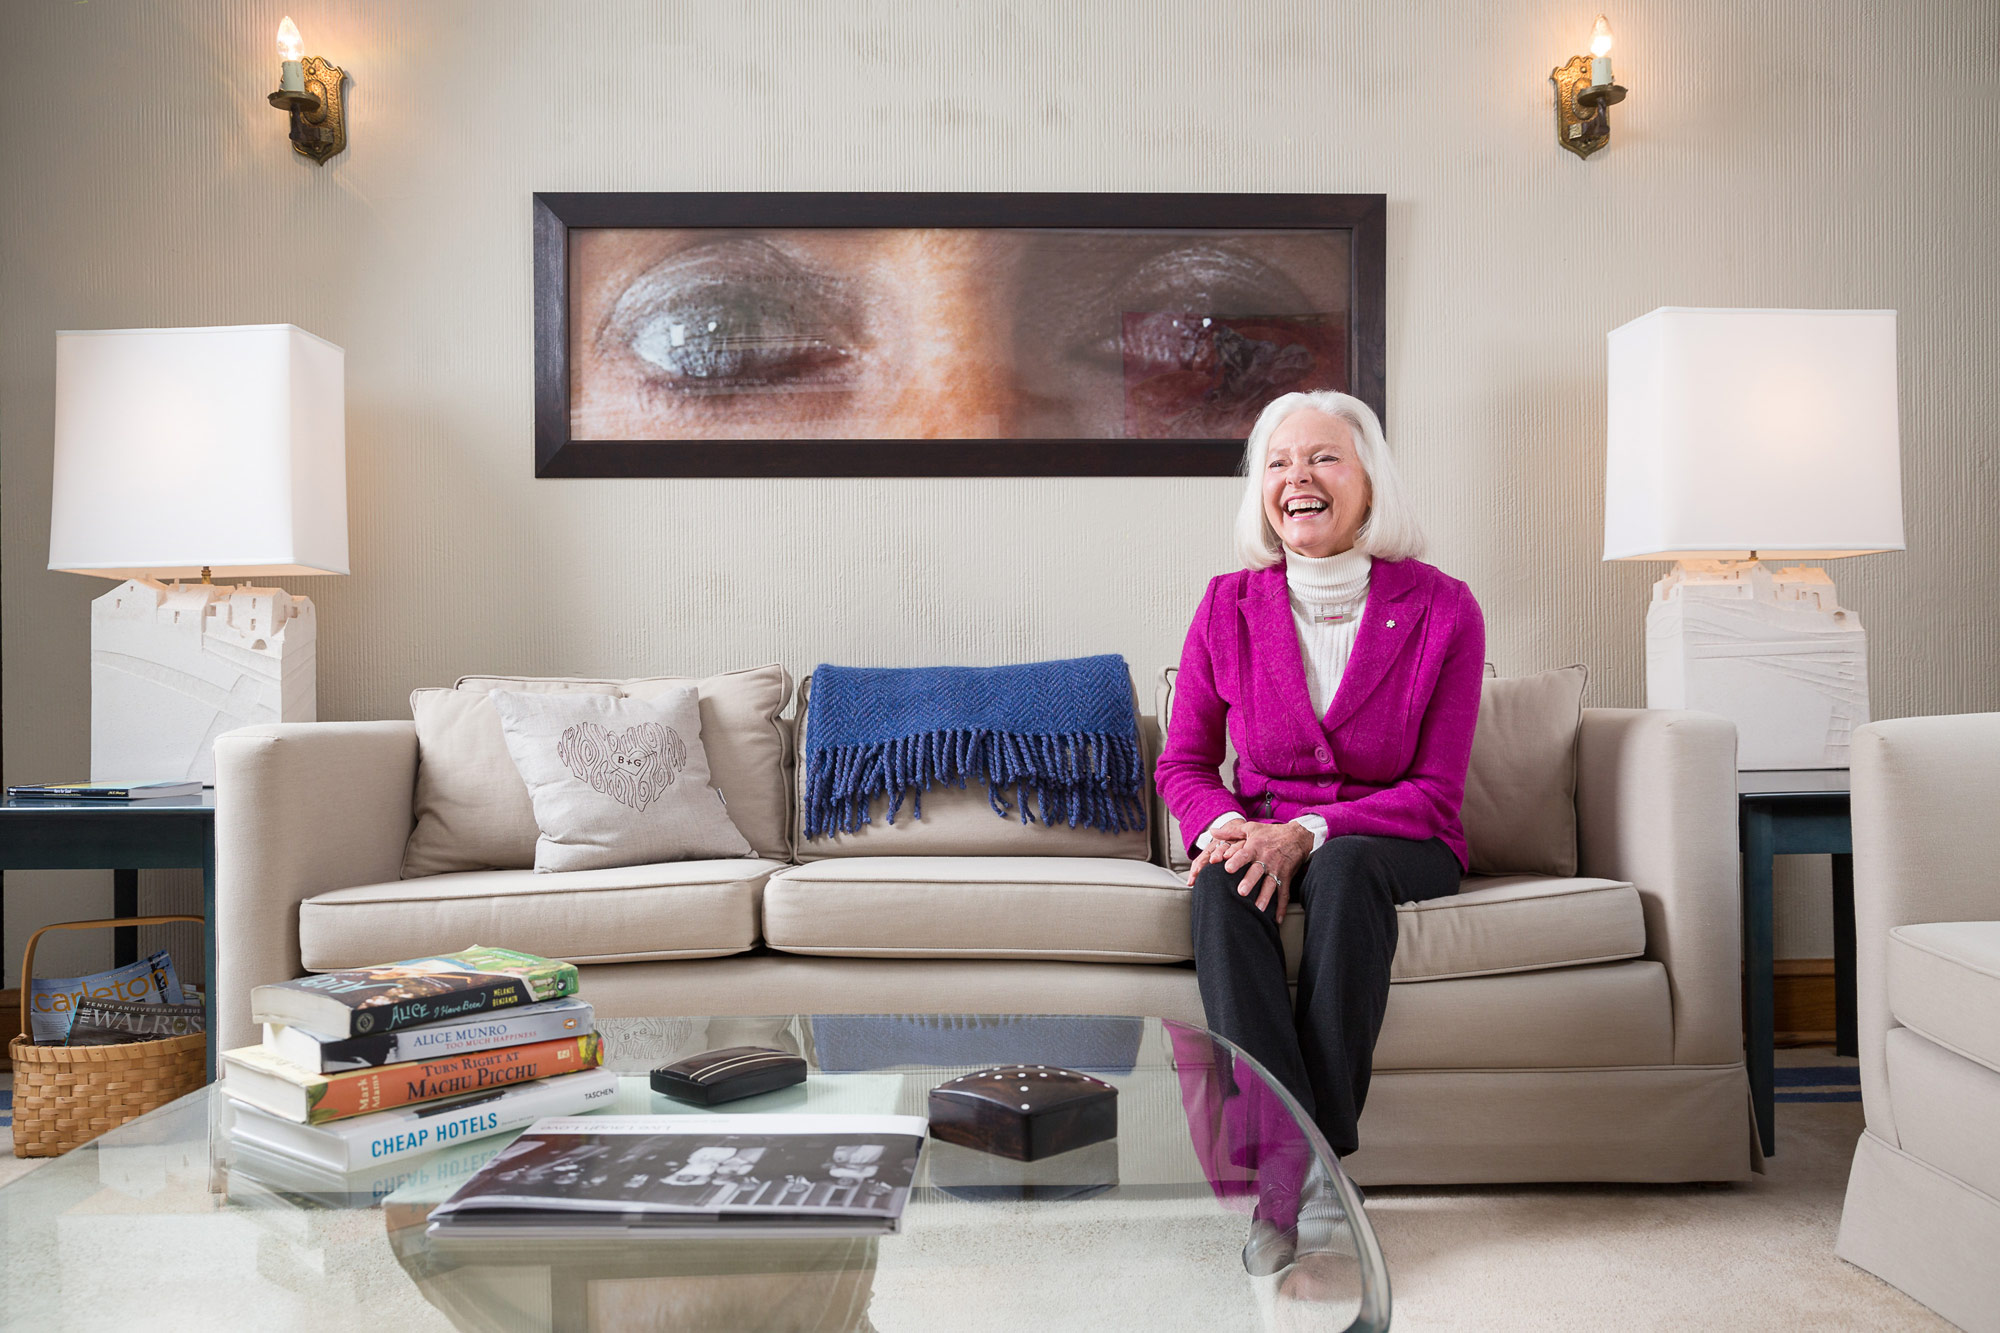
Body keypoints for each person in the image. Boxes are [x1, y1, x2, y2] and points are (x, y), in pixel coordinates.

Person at [1155, 389, 1485, 1180]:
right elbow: (1184, 763)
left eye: (1323, 456)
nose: (1298, 476)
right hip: (1261, 824)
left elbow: (1436, 791)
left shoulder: (1445, 608)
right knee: (1221, 882)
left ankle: (1310, 1159)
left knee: (1343, 864)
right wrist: (1228, 823)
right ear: (1261, 491)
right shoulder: (1226, 604)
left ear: (1370, 481)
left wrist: (1311, 830)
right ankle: (1287, 1178)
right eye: (1278, 462)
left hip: (1400, 842)